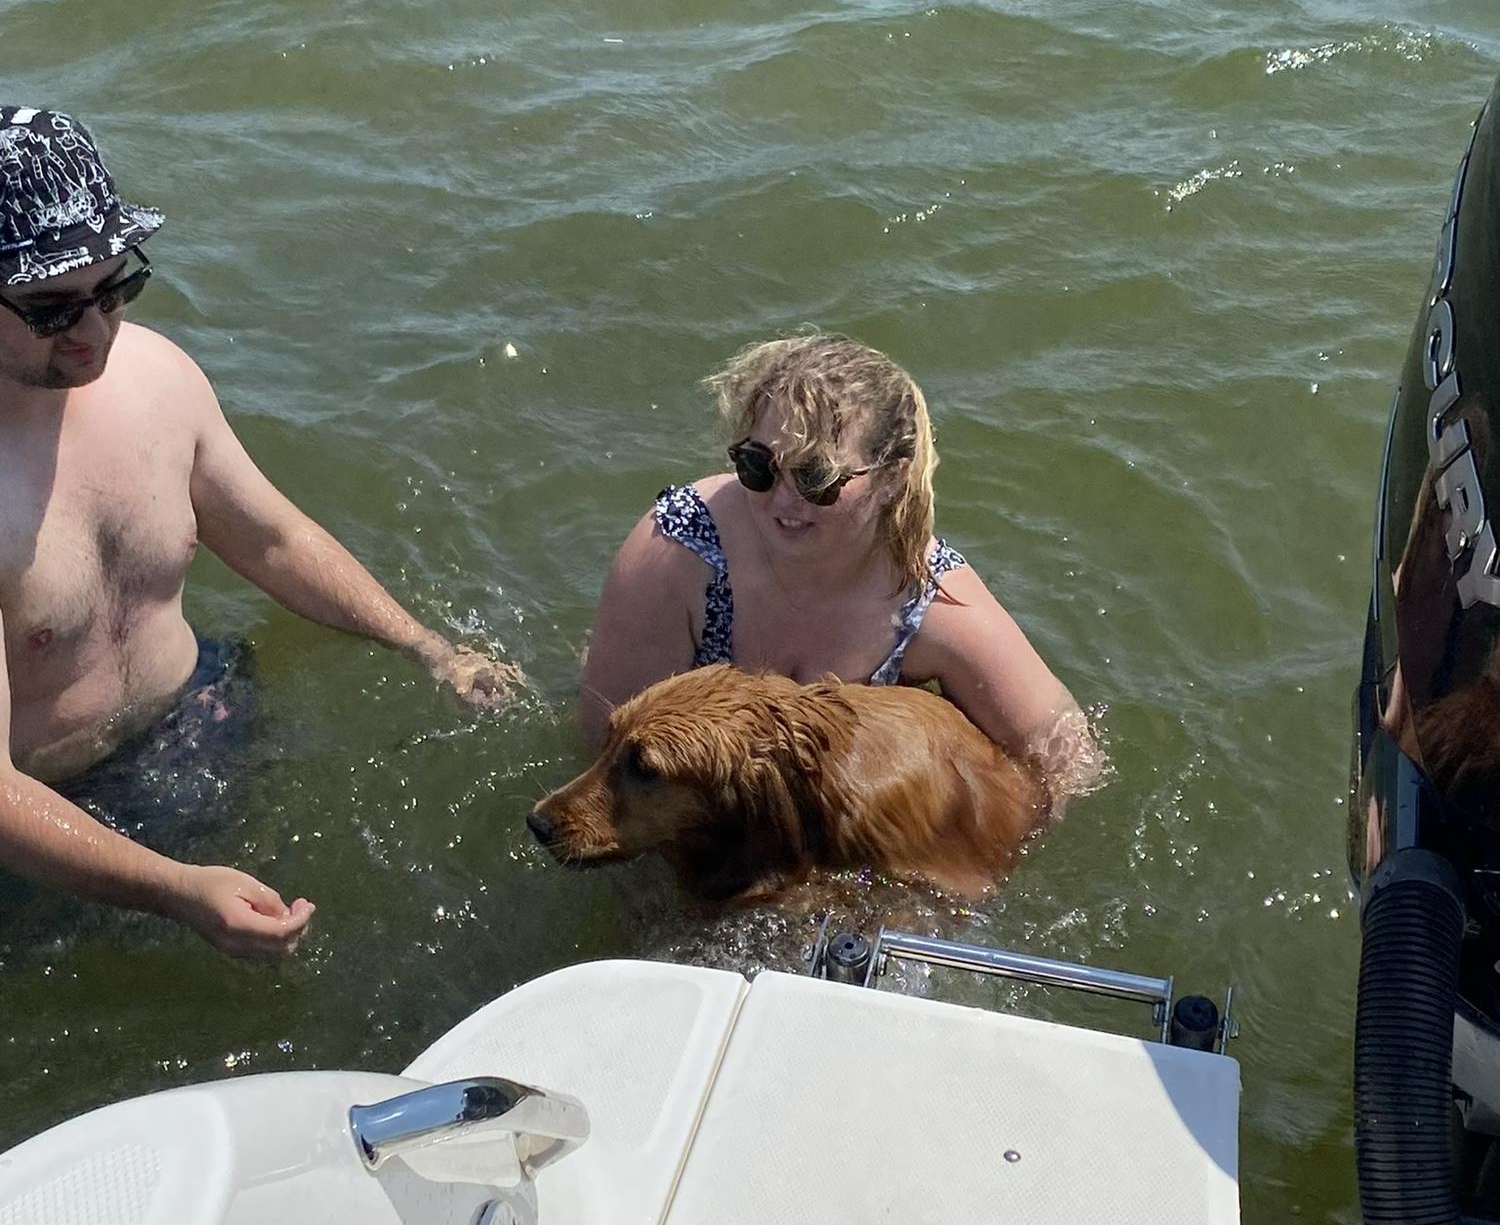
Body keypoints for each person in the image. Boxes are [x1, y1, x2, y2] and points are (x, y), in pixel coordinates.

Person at [0, 105, 520, 959]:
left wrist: (427, 648)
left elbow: (273, 538)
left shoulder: (157, 379)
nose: (93, 334)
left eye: (113, 288)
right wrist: (176, 889)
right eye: (52, 310)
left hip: (199, 717)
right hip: (44, 820)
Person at [580, 333, 1102, 808]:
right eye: (759, 466)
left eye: (817, 476)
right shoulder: (680, 549)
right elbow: (601, 752)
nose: (784, 499)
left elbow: (1070, 765)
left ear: (892, 479)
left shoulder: (929, 606)